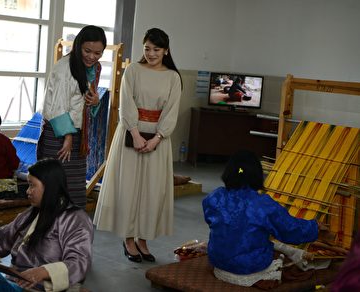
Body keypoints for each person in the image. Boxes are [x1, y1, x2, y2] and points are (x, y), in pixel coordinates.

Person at [93, 28, 183, 263]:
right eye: (147, 48)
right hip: (131, 133)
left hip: (157, 139)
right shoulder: (133, 70)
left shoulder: (173, 76)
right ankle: (129, 238)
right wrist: (135, 133)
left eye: (156, 49)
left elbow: (172, 110)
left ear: (166, 51)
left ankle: (144, 238)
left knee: (152, 190)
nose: (151, 53)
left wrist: (157, 138)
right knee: (130, 187)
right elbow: (126, 103)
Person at [202, 150, 328, 289]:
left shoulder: (214, 197)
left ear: (229, 172)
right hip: (250, 268)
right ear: (257, 175)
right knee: (293, 262)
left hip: (219, 264)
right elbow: (289, 230)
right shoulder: (262, 204)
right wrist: (314, 226)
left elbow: (213, 221)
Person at [0, 158, 93, 292]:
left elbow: (79, 262)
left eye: (32, 185)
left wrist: (43, 272)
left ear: (49, 186)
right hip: (16, 285)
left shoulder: (75, 219)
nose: (27, 191)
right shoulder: (30, 214)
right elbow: (0, 239)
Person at [37, 25, 107, 209]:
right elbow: (58, 106)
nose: (92, 57)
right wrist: (68, 137)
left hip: (75, 134)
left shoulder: (89, 68)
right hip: (60, 135)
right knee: (55, 187)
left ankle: (71, 232)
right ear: (78, 46)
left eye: (98, 53)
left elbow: (80, 102)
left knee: (74, 188)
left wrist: (95, 101)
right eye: (87, 51)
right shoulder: (64, 68)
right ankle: (51, 233)